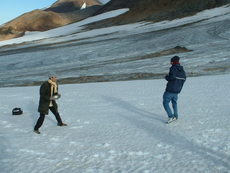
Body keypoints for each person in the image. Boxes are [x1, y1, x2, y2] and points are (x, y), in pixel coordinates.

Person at [163, 56, 186, 124]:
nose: (170, 63)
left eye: (171, 61)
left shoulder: (173, 68)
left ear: (173, 62)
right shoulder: (182, 69)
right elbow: (184, 79)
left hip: (170, 90)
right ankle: (176, 116)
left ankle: (171, 116)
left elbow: (171, 77)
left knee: (165, 103)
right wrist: (179, 86)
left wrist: (166, 77)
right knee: (174, 103)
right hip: (177, 90)